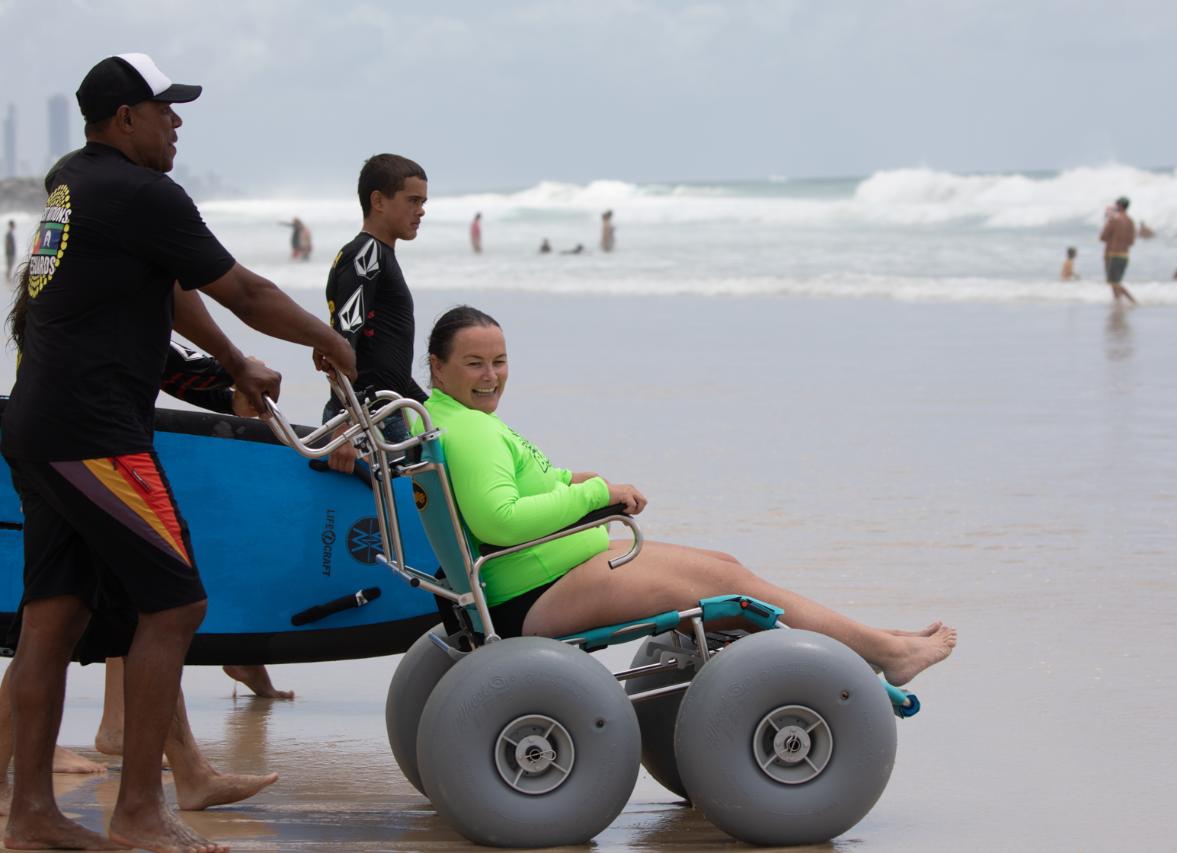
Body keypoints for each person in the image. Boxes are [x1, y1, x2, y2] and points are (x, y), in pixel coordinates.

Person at [0, 53, 354, 853]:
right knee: (175, 603)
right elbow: (246, 290)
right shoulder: (141, 192)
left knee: (55, 616)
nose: (177, 121)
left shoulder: (73, 183)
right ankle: (137, 811)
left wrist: (230, 366)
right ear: (126, 118)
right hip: (95, 434)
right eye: (165, 108)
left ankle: (30, 815)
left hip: (38, 424)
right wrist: (332, 342)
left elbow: (164, 289)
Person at [423, 306, 957, 686]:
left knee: (727, 566)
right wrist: (593, 495)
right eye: (475, 363)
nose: (491, 376)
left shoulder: (451, 418)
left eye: (500, 361)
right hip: (535, 591)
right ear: (438, 366)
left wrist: (570, 482)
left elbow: (516, 487)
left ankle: (866, 642)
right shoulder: (473, 431)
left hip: (543, 572)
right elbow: (500, 520)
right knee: (734, 590)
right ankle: (883, 653)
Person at [322, 153, 429, 475]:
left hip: (380, 411)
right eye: (413, 200)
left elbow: (382, 357)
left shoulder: (377, 255)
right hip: (365, 418)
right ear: (378, 201)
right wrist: (343, 425)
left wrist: (430, 404)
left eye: (423, 202)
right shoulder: (367, 254)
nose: (421, 211)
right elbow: (342, 340)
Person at [1099, 196, 1138, 305]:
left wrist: (1108, 220)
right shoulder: (1130, 221)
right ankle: (1118, 303)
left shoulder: (1114, 220)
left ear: (1120, 206)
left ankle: (1133, 301)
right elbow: (1131, 242)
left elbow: (1103, 237)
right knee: (1115, 282)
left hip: (1112, 254)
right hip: (1124, 255)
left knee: (1114, 283)